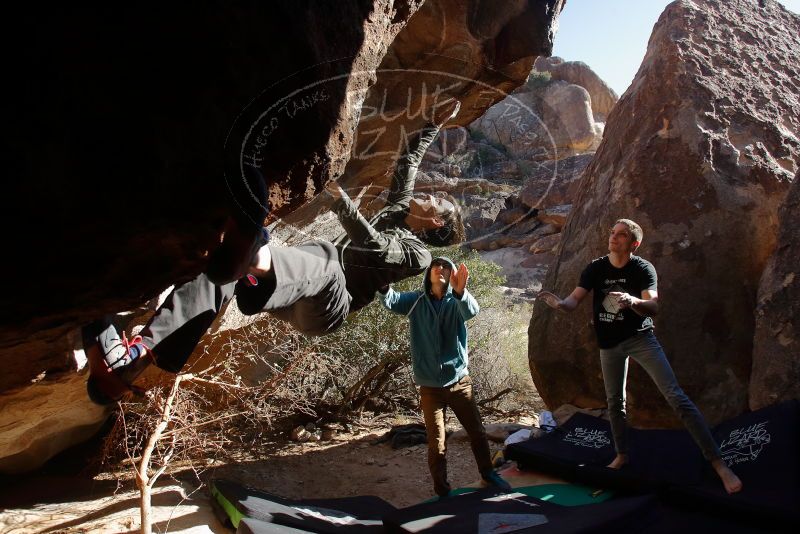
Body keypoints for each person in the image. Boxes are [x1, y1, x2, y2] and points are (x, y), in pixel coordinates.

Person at [84, 100, 466, 404]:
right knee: (220, 273)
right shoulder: (400, 211)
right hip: (300, 287)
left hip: (330, 305)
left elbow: (376, 247)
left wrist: (339, 200)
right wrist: (434, 122)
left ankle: (255, 251)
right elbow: (407, 163)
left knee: (328, 261)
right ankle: (135, 359)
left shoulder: (418, 255)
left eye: (436, 203)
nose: (428, 196)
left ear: (435, 224)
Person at [538, 218, 743, 495]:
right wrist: (561, 304)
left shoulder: (643, 269)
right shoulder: (596, 268)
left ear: (634, 243)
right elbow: (575, 300)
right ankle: (622, 455)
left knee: (675, 397)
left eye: (621, 235)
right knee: (614, 403)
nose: (614, 237)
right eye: (612, 233)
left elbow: (653, 306)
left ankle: (718, 463)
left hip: (640, 340)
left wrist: (632, 301)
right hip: (608, 345)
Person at [380, 257, 512, 498]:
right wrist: (381, 283)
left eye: (446, 267)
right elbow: (392, 301)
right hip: (430, 387)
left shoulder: (457, 301)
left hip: (459, 383)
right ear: (428, 273)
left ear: (452, 275)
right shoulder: (417, 301)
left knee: (477, 432)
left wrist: (461, 292)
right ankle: (442, 491)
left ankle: (488, 474)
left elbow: (472, 311)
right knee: (436, 443)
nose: (440, 269)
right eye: (435, 266)